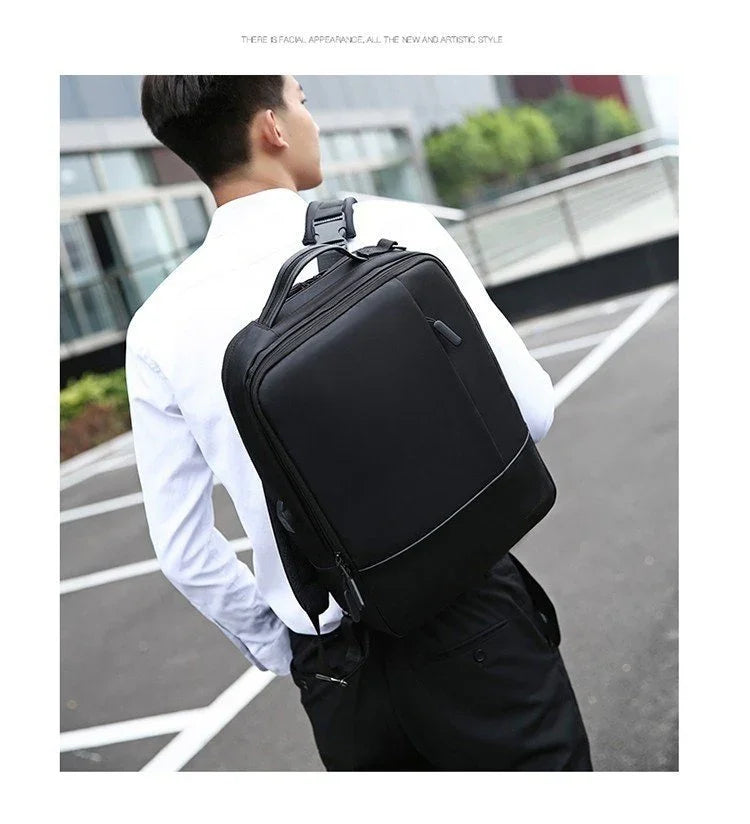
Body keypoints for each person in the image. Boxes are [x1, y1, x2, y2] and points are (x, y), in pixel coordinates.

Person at [131, 74, 593, 771]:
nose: (310, 119)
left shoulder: (157, 326)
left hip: (338, 673)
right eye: (302, 101)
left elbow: (185, 552)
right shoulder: (393, 228)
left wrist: (291, 643)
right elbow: (529, 411)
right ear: (272, 129)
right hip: (470, 622)